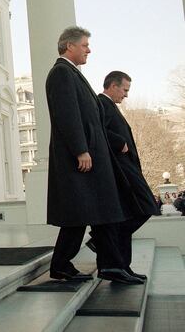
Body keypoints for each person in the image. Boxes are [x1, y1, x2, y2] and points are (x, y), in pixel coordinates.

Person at [45, 26, 142, 284]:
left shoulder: (72, 74)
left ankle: (65, 265)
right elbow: (67, 116)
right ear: (70, 46)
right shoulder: (61, 73)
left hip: (93, 156)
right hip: (80, 157)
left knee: (84, 214)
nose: (89, 49)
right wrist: (81, 150)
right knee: (94, 211)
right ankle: (108, 266)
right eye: (85, 45)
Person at [87, 71, 158, 280]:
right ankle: (105, 247)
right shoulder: (100, 103)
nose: (126, 95)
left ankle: (121, 265)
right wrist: (119, 142)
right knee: (145, 206)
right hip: (119, 168)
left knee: (127, 215)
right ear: (113, 86)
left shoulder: (109, 106)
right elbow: (95, 129)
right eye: (125, 90)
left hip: (126, 167)